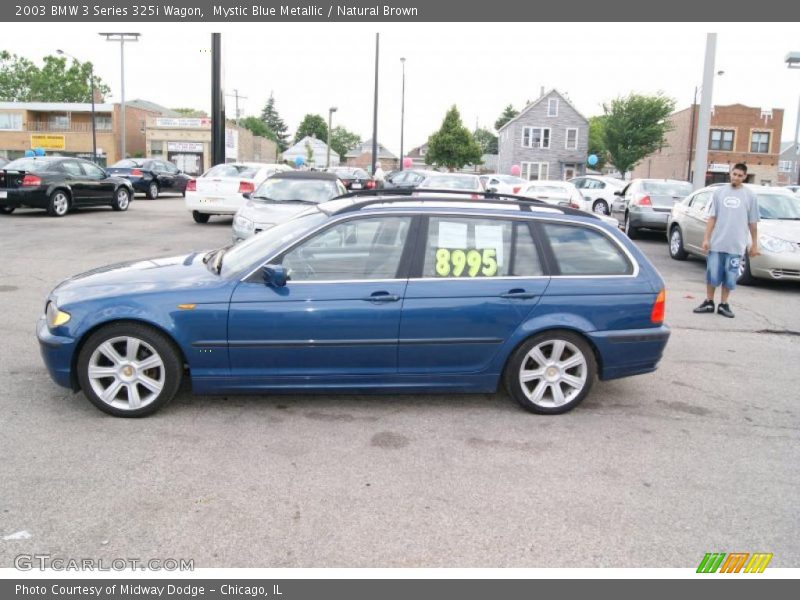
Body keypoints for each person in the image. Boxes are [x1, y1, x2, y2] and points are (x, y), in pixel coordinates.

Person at [693, 163, 759, 318]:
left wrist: (754, 244)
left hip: (736, 245)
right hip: (717, 243)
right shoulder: (719, 192)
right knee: (713, 275)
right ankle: (709, 301)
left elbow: (753, 223)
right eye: (734, 174)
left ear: (744, 177)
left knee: (730, 277)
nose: (736, 177)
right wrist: (706, 239)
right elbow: (712, 217)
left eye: (740, 175)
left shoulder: (750, 196)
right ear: (730, 174)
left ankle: (724, 304)